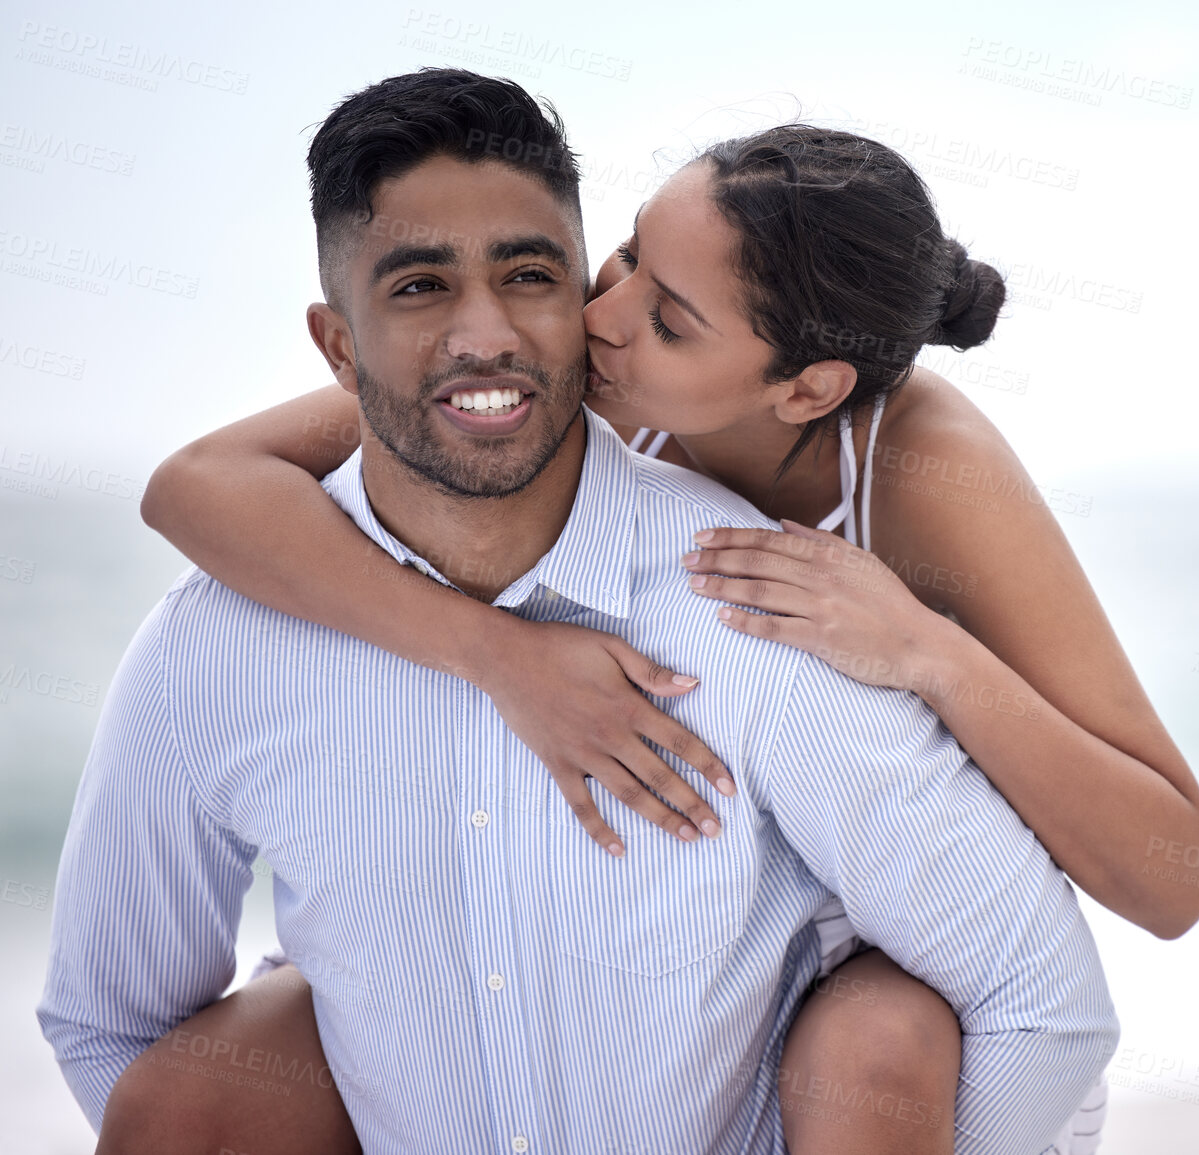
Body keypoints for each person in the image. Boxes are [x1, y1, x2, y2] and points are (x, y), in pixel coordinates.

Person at [36, 69, 1120, 1155]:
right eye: (419, 287)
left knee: (884, 1036)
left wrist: (933, 654)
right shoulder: (215, 646)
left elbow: (1043, 999)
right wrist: (495, 654)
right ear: (336, 346)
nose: (487, 334)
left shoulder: (762, 610)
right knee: (195, 1101)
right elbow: (106, 1025)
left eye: (530, 274)